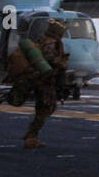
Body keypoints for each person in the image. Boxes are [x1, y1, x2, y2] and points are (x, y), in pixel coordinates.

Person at [22, 19, 69, 149]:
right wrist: (61, 62)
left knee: (43, 108)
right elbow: (49, 58)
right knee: (46, 108)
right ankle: (31, 136)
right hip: (45, 80)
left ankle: (31, 135)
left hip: (42, 80)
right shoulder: (52, 42)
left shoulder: (43, 40)